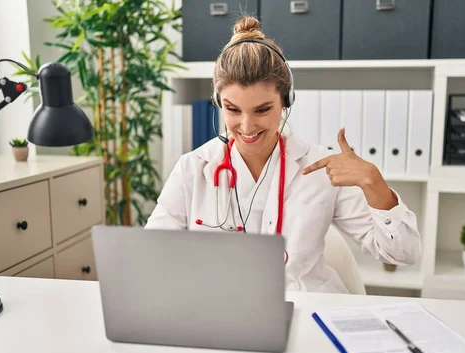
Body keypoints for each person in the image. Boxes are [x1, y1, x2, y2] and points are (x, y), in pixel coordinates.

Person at [145, 16, 422, 293]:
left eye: (262, 110)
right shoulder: (193, 169)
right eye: (232, 109)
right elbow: (151, 257)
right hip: (223, 313)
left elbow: (404, 254)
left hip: (307, 309)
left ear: (286, 102)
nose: (246, 126)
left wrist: (374, 183)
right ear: (218, 103)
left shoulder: (321, 168)